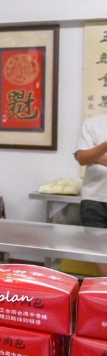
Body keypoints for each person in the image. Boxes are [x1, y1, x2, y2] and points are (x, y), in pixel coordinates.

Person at [73, 112, 107, 275]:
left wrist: (96, 157)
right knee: (97, 250)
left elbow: (87, 155)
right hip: (94, 197)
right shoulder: (92, 123)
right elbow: (82, 158)